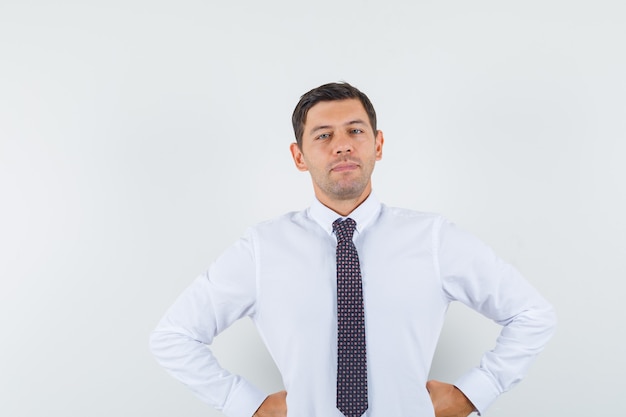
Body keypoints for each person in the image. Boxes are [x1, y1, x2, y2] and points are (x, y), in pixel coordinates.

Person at [150, 82, 556, 417]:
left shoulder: (433, 238)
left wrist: (474, 394)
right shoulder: (262, 248)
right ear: (299, 156)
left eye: (355, 131)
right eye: (323, 135)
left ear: (378, 145)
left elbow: (532, 314)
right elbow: (174, 336)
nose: (341, 145)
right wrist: (246, 404)